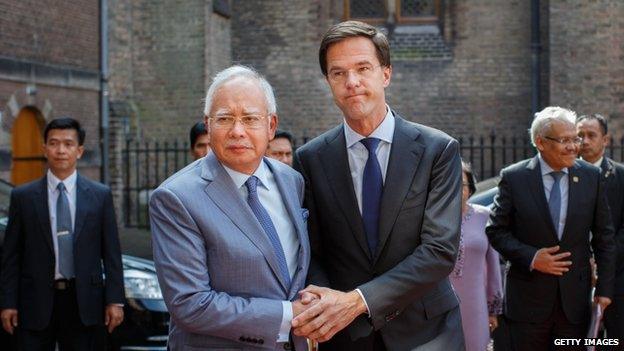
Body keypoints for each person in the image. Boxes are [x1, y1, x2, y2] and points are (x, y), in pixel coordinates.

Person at [292, 20, 463, 350]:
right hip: (346, 336)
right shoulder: (311, 159)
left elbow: (440, 251)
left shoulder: (437, 149)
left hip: (427, 332)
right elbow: (310, 251)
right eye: (338, 73)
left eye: (362, 68)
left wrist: (356, 302)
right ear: (328, 81)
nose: (351, 82)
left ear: (385, 74)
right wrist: (328, 310)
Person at [149, 65, 312, 350]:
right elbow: (190, 304)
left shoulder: (291, 180)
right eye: (225, 119)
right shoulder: (175, 198)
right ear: (208, 125)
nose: (238, 131)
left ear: (271, 126)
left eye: (250, 118)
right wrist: (288, 316)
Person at [486, 106, 615, 350]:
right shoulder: (514, 178)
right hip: (527, 303)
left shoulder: (590, 177)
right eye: (565, 140)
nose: (573, 146)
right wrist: (532, 257)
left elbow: (604, 237)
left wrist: (605, 289)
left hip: (574, 305)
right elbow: (496, 231)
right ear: (540, 142)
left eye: (574, 139)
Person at [0, 118, 125, 350]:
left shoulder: (100, 196)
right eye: (54, 143)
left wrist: (115, 300)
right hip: (35, 300)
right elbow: (11, 256)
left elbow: (112, 254)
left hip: (84, 300)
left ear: (79, 151)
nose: (60, 150)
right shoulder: (23, 197)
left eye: (68, 144)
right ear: (44, 148)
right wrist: (8, 302)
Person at [577, 113, 624, 340]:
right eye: (579, 136)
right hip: (573, 277)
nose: (584, 141)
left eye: (591, 135)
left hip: (617, 276)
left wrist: (603, 257)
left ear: (605, 140)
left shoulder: (621, 176)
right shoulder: (565, 175)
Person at [450, 161, 503, 351]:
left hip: (476, 304)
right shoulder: (431, 219)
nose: (456, 189)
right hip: (439, 305)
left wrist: (493, 310)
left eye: (462, 184)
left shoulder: (485, 216)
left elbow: (494, 268)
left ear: (470, 188)